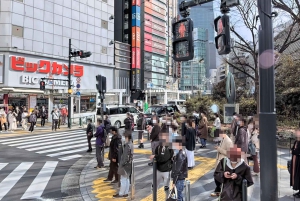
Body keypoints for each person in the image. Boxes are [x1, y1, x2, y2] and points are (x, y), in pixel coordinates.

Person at [150, 130, 174, 197]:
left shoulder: (169, 148)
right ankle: (154, 198)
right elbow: (158, 157)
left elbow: (164, 158)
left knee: (167, 189)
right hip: (158, 170)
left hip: (166, 170)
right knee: (153, 186)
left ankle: (167, 199)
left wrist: (155, 156)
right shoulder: (158, 147)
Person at [211, 131, 233, 197]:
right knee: (217, 175)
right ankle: (218, 190)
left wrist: (219, 149)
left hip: (223, 161)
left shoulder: (228, 141)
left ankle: (219, 190)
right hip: (220, 160)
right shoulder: (223, 139)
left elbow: (229, 153)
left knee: (218, 176)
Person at [171, 136, 188, 201]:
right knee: (179, 195)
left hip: (179, 178)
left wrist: (174, 181)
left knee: (178, 196)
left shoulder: (180, 154)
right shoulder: (182, 152)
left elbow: (178, 169)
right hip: (181, 177)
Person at [290, 129, 300, 197]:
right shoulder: (296, 141)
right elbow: (293, 149)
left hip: (299, 161)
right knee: (296, 175)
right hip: (296, 160)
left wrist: (294, 151)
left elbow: (296, 151)